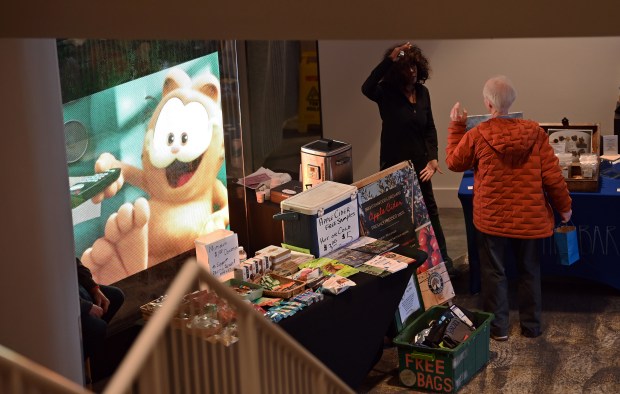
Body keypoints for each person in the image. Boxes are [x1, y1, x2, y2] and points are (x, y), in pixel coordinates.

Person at [445, 75, 572, 341]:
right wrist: (564, 208)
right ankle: (531, 326)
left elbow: (454, 163)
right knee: (529, 270)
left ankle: (499, 329)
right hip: (530, 218)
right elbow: (552, 177)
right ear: (512, 102)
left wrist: (457, 126)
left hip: (492, 219)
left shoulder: (477, 134)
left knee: (494, 272)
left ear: (488, 104)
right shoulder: (536, 133)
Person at [361, 42, 455, 274]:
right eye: (406, 67)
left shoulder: (423, 93)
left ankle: (443, 262)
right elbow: (366, 87)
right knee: (399, 218)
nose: (412, 71)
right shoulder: (385, 93)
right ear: (397, 70)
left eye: (414, 66)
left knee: (430, 214)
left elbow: (430, 129)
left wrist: (433, 158)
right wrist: (389, 60)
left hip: (421, 166)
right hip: (394, 167)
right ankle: (402, 268)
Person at [77, 257, 125, 362]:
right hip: (62, 304)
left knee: (116, 296)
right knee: (98, 327)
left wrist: (94, 289)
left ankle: (84, 351)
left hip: (76, 290)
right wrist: (85, 306)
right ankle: (75, 364)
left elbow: (75, 264)